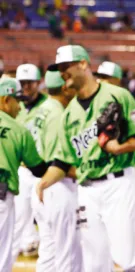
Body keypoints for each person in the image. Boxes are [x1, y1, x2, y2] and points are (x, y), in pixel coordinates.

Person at [34, 45, 135, 272]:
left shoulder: (117, 95)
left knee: (130, 257)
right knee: (94, 263)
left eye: (65, 66)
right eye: (58, 69)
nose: (62, 73)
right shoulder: (68, 115)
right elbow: (62, 162)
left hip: (118, 184)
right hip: (87, 190)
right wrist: (44, 181)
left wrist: (119, 148)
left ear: (83, 64)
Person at [30, 70, 83, 272]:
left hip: (43, 188)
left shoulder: (43, 109)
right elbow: (56, 160)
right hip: (57, 186)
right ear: (64, 88)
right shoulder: (58, 114)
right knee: (67, 255)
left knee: (50, 254)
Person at [0, 78, 48, 271]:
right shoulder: (18, 129)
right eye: (16, 101)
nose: (19, 107)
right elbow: (38, 168)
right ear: (5, 101)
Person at [13, 63, 44, 259]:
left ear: (38, 83)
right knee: (19, 216)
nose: (26, 87)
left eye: (30, 83)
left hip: (44, 169)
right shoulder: (14, 108)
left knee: (45, 214)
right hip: (23, 170)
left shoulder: (49, 105)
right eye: (22, 83)